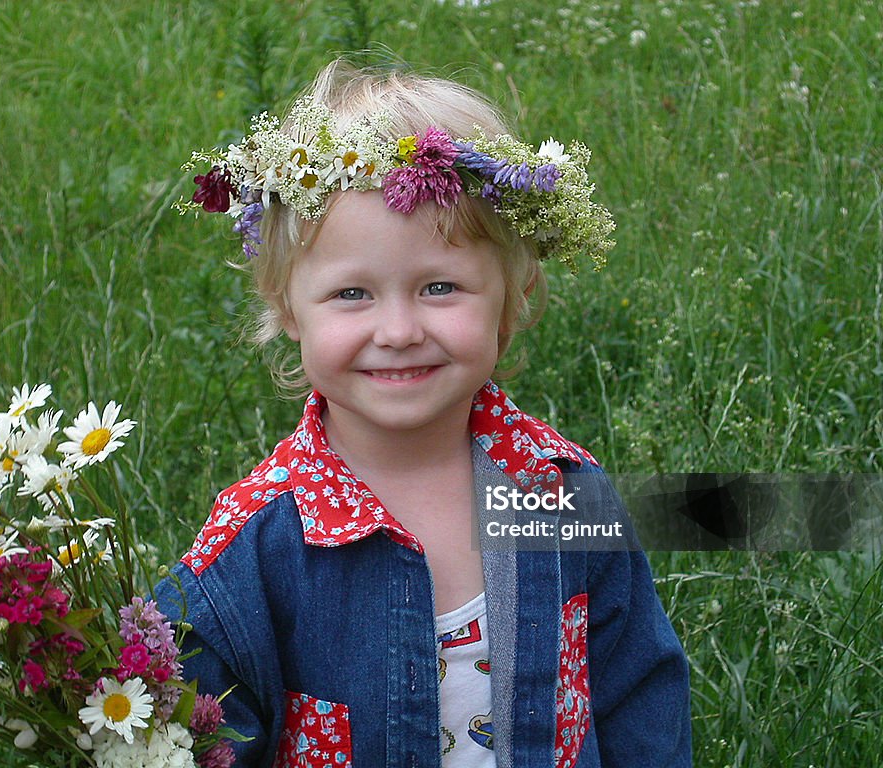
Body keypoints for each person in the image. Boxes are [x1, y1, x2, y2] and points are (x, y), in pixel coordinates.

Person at [156, 59, 691, 768]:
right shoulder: (254, 548)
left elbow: (638, 694)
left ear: (514, 291)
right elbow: (197, 737)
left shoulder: (562, 492)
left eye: (440, 287)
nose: (399, 329)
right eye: (353, 294)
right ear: (288, 305)